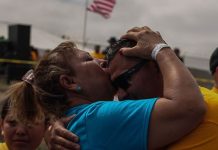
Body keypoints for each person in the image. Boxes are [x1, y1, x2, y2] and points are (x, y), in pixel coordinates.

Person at [10, 26, 205, 150]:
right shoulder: (96, 117)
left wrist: (52, 124)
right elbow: (189, 107)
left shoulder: (79, 121)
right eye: (88, 59)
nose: (102, 61)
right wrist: (160, 49)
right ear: (69, 83)